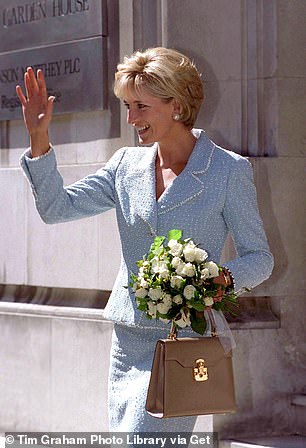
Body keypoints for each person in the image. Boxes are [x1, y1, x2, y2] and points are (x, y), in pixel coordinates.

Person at [16, 47, 274, 432]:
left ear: (176, 105)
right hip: (128, 339)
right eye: (127, 106)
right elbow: (57, 208)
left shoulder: (227, 171)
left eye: (141, 106)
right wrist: (39, 140)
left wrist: (216, 279)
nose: (131, 118)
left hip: (183, 337)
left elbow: (259, 257)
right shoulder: (125, 166)